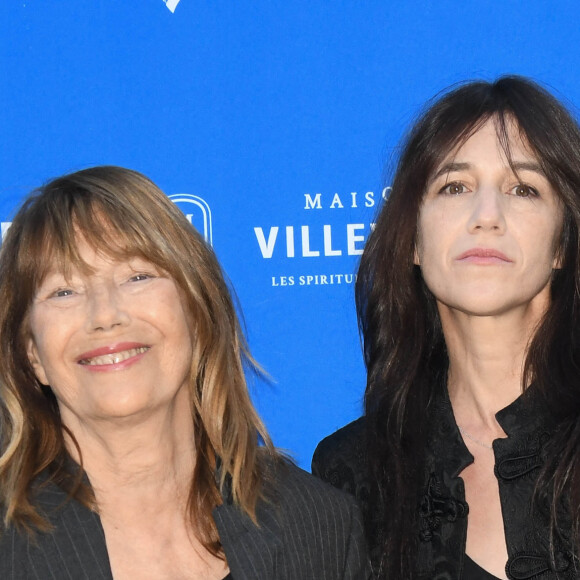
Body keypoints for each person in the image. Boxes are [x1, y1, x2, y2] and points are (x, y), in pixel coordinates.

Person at [0, 166, 370, 580]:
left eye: (137, 276)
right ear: (32, 354)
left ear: (196, 313)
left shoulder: (316, 523)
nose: (105, 314)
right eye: (63, 291)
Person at [312, 76, 580, 579]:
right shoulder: (352, 471)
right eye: (454, 187)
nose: (486, 216)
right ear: (413, 240)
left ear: (562, 244)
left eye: (523, 188)